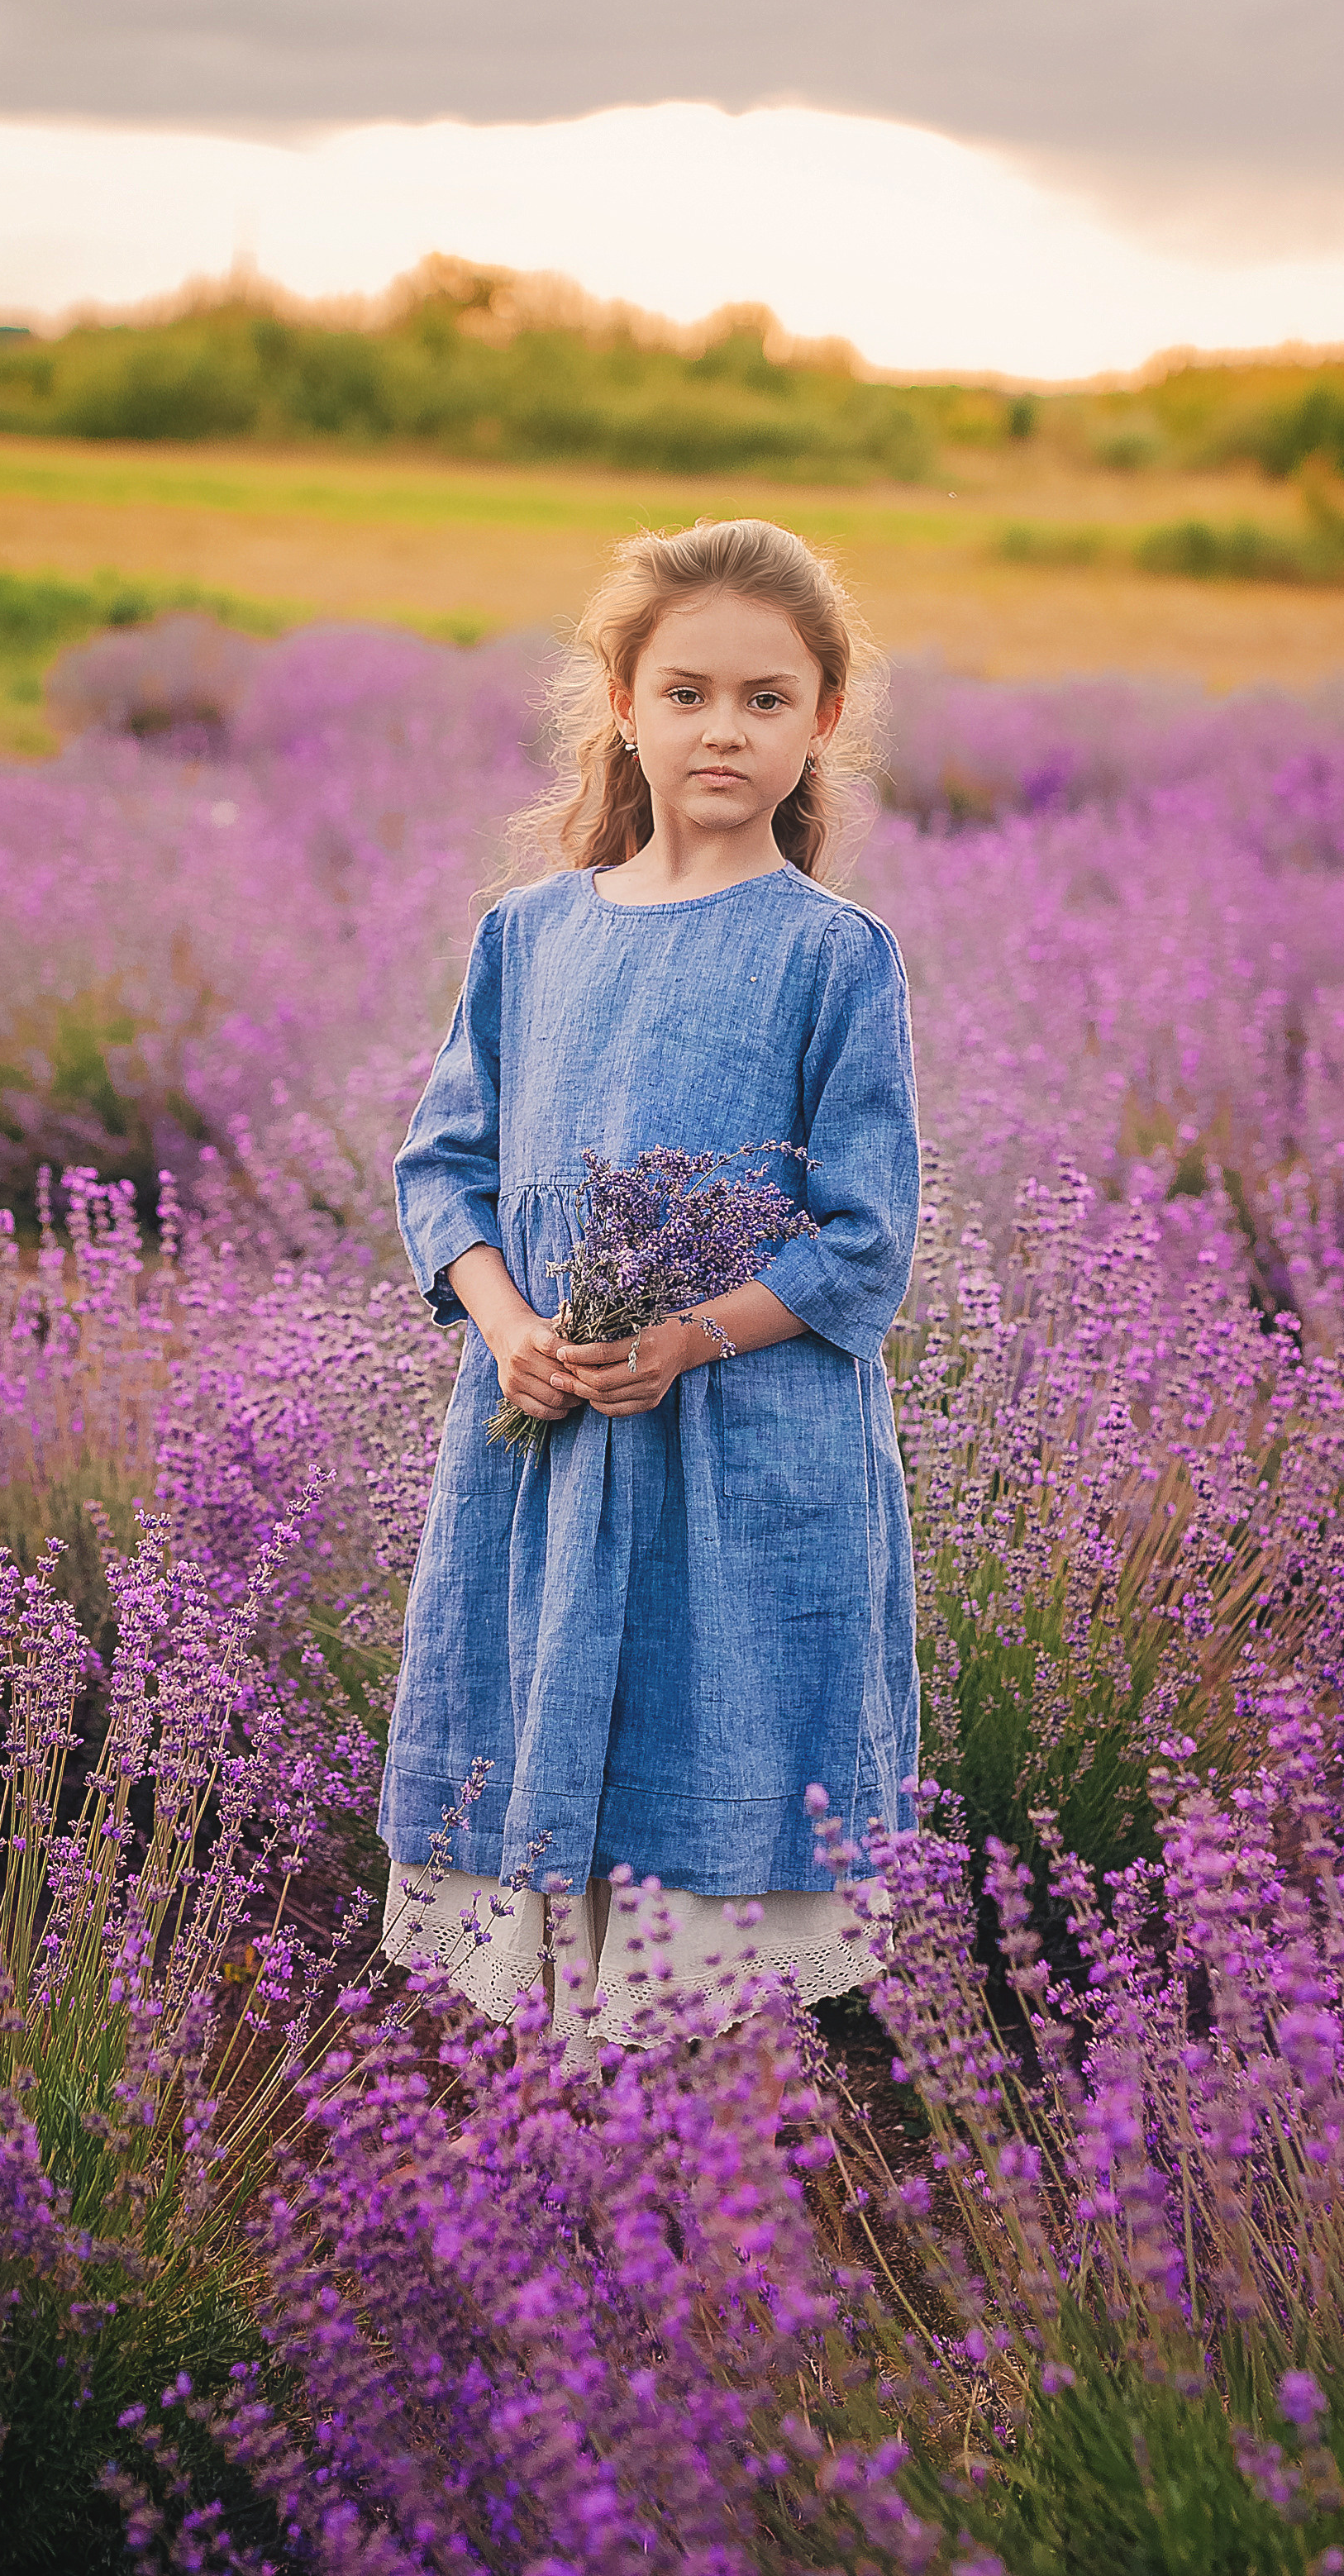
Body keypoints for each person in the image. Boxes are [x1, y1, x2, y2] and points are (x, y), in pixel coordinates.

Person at [379, 516, 921, 2050]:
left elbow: (869, 1237)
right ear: (621, 702)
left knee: (715, 1758)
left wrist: (686, 1339)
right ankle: (580, 2143)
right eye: (687, 693)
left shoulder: (833, 954)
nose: (724, 730)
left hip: (742, 1452)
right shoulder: (531, 937)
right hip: (549, 1441)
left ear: (822, 722)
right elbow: (442, 1171)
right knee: (558, 1767)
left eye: (766, 698)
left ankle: (707, 2152)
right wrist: (509, 1333)